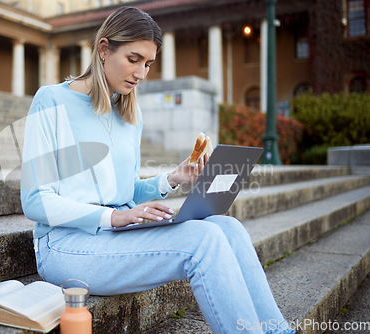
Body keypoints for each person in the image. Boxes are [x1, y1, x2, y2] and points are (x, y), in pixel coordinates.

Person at [20, 6, 294, 334]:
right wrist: (111, 217)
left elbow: (123, 191)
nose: (141, 72)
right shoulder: (51, 100)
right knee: (203, 240)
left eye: (148, 63)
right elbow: (35, 200)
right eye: (133, 58)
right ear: (104, 49)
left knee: (228, 227)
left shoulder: (127, 116)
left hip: (116, 235)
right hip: (65, 245)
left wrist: (172, 179)